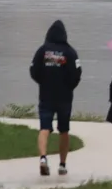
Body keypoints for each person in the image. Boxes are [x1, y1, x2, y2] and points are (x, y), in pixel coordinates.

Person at [29, 20, 81, 176]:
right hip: (64, 97)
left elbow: (33, 70)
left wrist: (43, 82)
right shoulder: (71, 52)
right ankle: (62, 164)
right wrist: (69, 86)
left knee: (44, 128)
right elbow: (77, 74)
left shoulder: (42, 51)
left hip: (46, 95)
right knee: (64, 130)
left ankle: (43, 158)